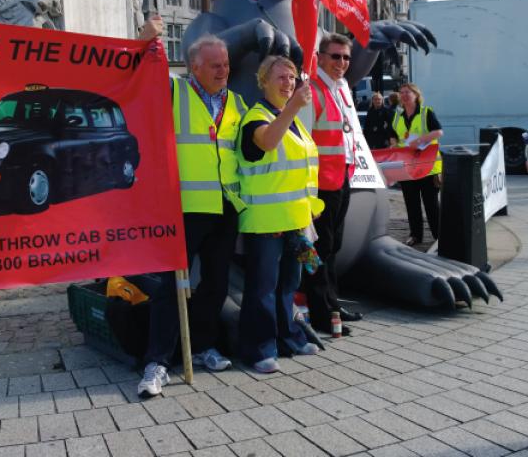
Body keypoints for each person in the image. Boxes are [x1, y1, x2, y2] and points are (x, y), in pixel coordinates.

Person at [138, 32, 247, 397]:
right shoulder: (175, 92)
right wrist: (144, 39)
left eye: (227, 64)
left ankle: (201, 346)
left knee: (215, 284)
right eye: (215, 65)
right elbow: (140, 78)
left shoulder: (237, 102)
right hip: (184, 207)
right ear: (194, 67)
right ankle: (157, 362)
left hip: (224, 206)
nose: (223, 71)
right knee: (171, 287)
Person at [237, 56, 324, 373]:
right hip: (266, 221)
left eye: (291, 77)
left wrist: (308, 215)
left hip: (295, 220)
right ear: (263, 81)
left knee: (289, 284)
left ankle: (289, 338)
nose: (288, 83)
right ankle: (258, 349)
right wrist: (292, 109)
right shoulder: (256, 117)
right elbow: (268, 142)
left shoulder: (293, 120)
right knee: (262, 288)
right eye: (281, 78)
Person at [304, 33, 363, 335]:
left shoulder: (341, 89)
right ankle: (321, 313)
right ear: (321, 57)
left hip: (341, 178)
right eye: (336, 56)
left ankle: (332, 305)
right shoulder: (311, 91)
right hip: (320, 186)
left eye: (346, 57)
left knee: (332, 248)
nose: (342, 63)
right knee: (319, 248)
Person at [390, 83, 443, 247]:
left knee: (431, 204)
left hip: (428, 167)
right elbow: (393, 135)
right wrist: (393, 143)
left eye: (408, 92)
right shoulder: (398, 115)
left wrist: (420, 140)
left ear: (416, 95)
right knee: (411, 204)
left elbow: (438, 132)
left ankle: (439, 236)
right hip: (407, 167)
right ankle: (415, 236)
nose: (404, 95)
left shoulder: (426, 112)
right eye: (402, 93)